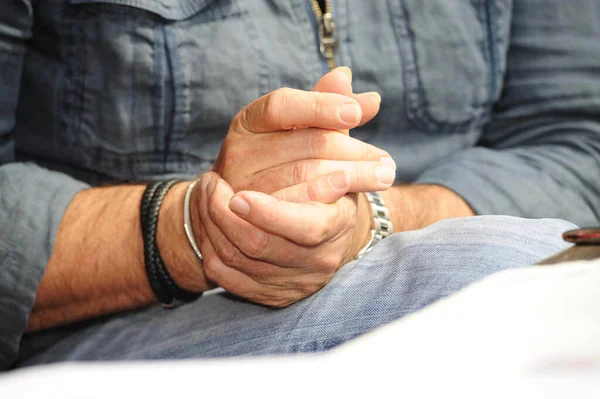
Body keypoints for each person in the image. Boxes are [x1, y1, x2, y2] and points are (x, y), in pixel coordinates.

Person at [0, 0, 598, 370]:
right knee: (499, 273)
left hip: (442, 254)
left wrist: (372, 219)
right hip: (103, 332)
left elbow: (576, 138)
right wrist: (196, 229)